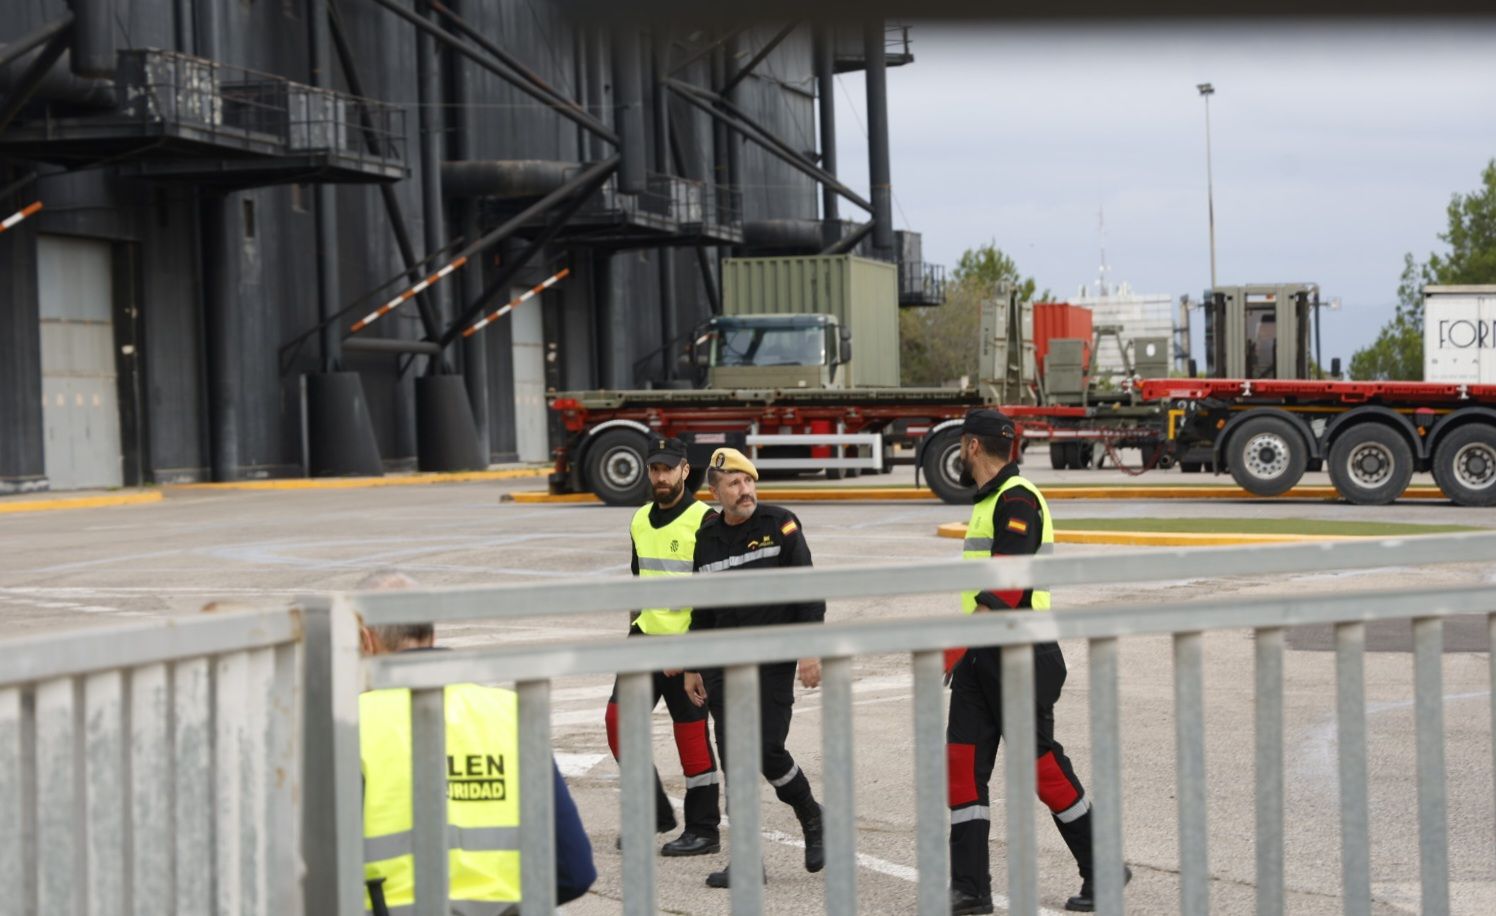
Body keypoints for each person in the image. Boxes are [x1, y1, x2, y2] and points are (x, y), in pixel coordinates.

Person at [944, 410, 1129, 915]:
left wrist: (954, 643)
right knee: (962, 767)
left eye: (962, 447)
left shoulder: (1017, 497)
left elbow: (1008, 582)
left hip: (1021, 652)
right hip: (982, 656)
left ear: (970, 447)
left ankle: (1104, 867)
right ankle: (970, 888)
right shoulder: (990, 500)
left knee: (1039, 767)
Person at [356, 571, 596, 915]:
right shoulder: (508, 713)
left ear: (366, 640)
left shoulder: (351, 723)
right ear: (431, 633)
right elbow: (574, 871)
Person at [682, 447, 825, 889]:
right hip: (726, 663)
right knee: (735, 760)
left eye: (748, 481)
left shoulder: (780, 523)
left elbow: (808, 590)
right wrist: (693, 665)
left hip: (774, 658)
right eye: (734, 484)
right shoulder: (706, 538)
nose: (744, 491)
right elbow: (703, 610)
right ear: (715, 492)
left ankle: (811, 815)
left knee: (764, 748)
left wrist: (809, 650)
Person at [603, 436, 723, 857]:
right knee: (619, 724)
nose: (660, 476)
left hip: (687, 646)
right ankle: (653, 811)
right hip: (643, 640)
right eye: (654, 469)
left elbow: (713, 598)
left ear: (685, 471)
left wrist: (695, 655)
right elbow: (639, 582)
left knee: (690, 738)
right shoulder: (638, 519)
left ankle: (704, 830)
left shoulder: (705, 521)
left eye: (668, 469)